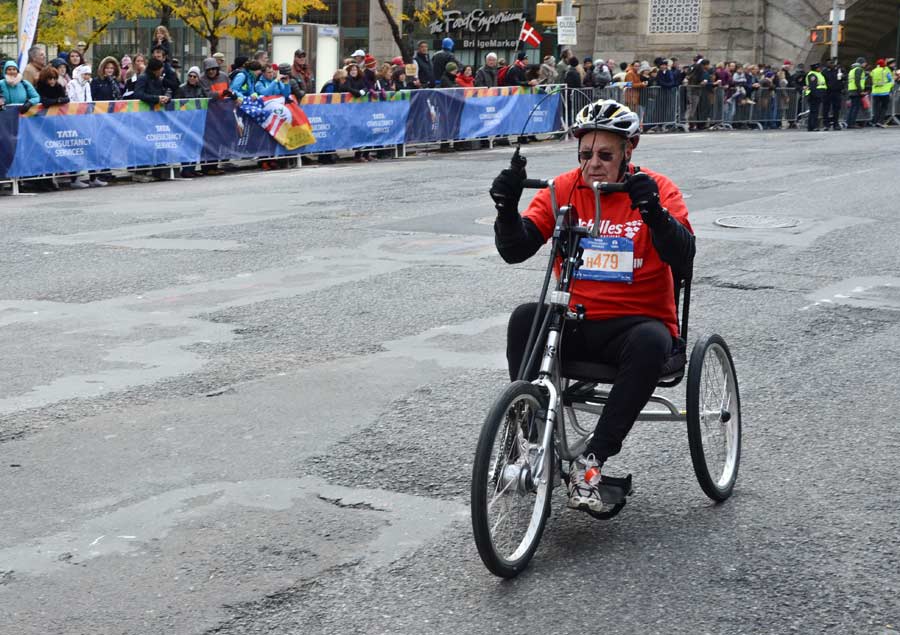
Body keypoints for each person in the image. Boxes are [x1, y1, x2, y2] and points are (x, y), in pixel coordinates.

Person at [488, 98, 694, 511]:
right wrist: (506, 209)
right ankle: (531, 440)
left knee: (652, 340)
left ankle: (592, 460)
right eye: (585, 155)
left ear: (627, 152)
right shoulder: (566, 189)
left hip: (636, 328)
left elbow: (684, 254)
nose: (594, 164)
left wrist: (654, 213)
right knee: (525, 318)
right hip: (578, 322)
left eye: (605, 155)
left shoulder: (658, 188)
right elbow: (516, 249)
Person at [846, 57, 869, 129]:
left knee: (852, 108)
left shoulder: (852, 70)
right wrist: (861, 91)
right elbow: (857, 81)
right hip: (856, 91)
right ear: (861, 63)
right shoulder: (859, 70)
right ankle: (852, 124)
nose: (865, 64)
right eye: (865, 62)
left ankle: (849, 123)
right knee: (855, 108)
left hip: (852, 90)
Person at [870, 58, 894, 127]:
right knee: (884, 107)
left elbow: (871, 76)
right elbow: (890, 80)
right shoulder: (885, 71)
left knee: (876, 108)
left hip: (875, 92)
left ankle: (875, 121)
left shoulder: (873, 71)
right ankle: (880, 122)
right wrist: (890, 85)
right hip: (884, 92)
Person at [821, 58, 843, 131]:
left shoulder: (838, 71)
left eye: (832, 63)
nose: (831, 64)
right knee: (826, 109)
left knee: (836, 109)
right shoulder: (824, 72)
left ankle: (835, 123)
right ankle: (826, 124)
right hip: (827, 93)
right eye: (830, 63)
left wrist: (842, 76)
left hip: (836, 92)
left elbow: (842, 80)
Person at [804, 62, 827, 131]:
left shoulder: (818, 74)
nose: (820, 68)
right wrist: (816, 95)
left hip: (818, 94)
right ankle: (813, 126)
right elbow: (813, 86)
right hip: (814, 94)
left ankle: (812, 126)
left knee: (815, 111)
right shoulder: (812, 75)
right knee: (814, 111)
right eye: (819, 67)